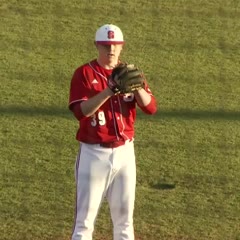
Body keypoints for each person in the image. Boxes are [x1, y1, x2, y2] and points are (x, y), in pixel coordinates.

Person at [68, 24, 157, 240]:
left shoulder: (131, 72)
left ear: (122, 46)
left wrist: (137, 89)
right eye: (106, 45)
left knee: (125, 222)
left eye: (115, 44)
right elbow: (81, 112)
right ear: (97, 46)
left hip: (125, 153)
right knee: (84, 223)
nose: (111, 49)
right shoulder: (84, 74)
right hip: (93, 154)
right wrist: (109, 91)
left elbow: (151, 108)